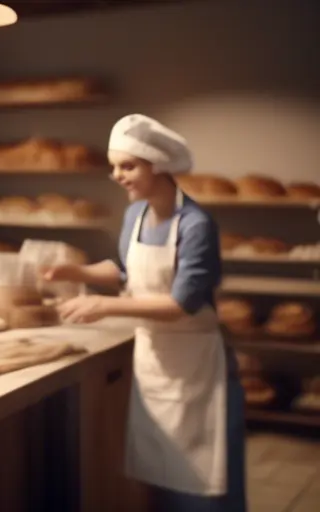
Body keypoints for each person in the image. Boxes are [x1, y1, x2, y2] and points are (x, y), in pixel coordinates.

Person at [42, 114, 246, 511]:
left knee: (206, 481)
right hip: (155, 358)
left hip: (196, 366)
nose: (117, 175)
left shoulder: (196, 224)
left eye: (128, 166)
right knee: (162, 474)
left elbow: (179, 303)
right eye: (114, 166)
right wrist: (75, 270)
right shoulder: (135, 216)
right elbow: (125, 273)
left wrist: (104, 305)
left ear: (160, 165)